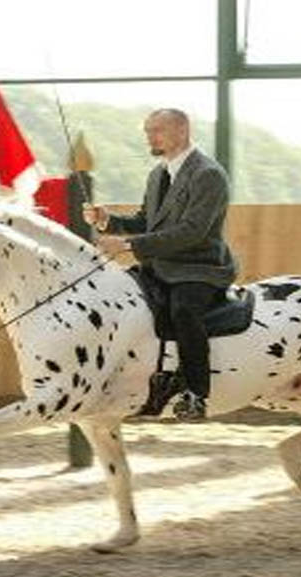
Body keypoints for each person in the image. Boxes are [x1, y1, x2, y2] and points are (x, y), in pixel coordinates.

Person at [84, 108, 238, 421]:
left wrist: (128, 245)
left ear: (182, 131)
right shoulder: (158, 174)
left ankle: (196, 394)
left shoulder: (208, 174)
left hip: (199, 268)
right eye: (147, 131)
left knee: (183, 310)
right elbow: (147, 221)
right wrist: (108, 220)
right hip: (160, 265)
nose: (149, 137)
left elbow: (192, 232)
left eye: (156, 130)